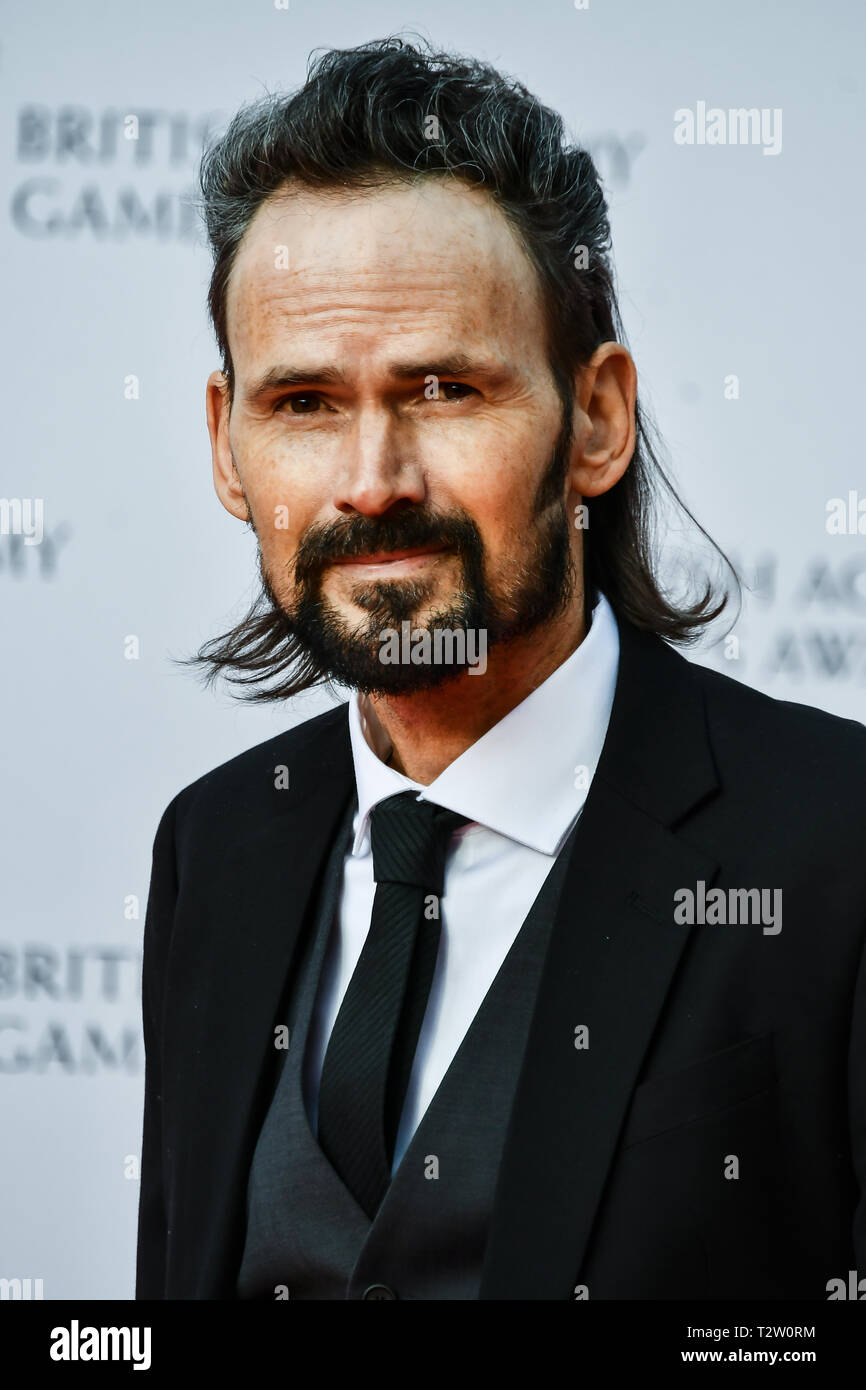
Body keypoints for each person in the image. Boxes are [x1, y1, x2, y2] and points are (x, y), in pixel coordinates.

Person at [135, 37, 866, 1300]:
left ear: (594, 420)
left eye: (443, 389)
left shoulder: (835, 841)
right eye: (303, 403)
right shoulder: (213, 852)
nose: (372, 479)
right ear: (226, 444)